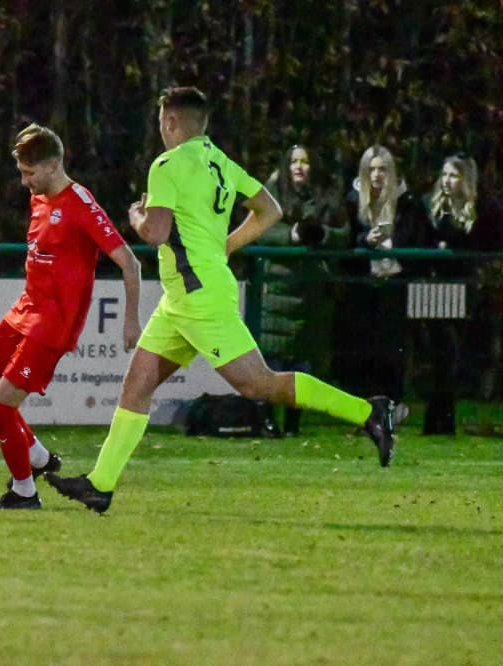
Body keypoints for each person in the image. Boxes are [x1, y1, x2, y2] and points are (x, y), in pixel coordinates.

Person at [46, 87, 400, 514]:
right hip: (183, 297)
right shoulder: (220, 161)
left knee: (258, 384)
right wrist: (227, 245)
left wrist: (137, 217)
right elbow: (270, 210)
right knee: (137, 384)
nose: (161, 130)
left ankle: (369, 411)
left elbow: (155, 232)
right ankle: (100, 484)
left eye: (162, 122)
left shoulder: (167, 165)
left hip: (198, 297)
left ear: (171, 122)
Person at [0, 123, 142, 510]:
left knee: (1, 408)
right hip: (23, 310)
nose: (24, 182)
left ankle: (25, 492)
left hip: (52, 324)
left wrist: (131, 320)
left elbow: (130, 262)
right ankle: (40, 458)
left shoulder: (80, 204)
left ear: (54, 164)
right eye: (21, 172)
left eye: (30, 173)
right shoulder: (39, 197)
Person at [257, 145, 348, 436]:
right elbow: (259, 230)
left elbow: (344, 234)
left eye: (305, 161)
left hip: (310, 292)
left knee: (302, 361)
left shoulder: (327, 197)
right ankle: (268, 419)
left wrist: (322, 235)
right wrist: (291, 235)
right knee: (272, 359)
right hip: (277, 289)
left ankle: (294, 422)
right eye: (294, 161)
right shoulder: (271, 195)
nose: (299, 167)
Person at [420, 154, 503, 433]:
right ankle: (438, 420)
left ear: (465, 179)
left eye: (454, 175)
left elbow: (490, 243)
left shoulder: (482, 209)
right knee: (439, 354)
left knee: (452, 352)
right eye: (444, 175)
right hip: (433, 287)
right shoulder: (431, 206)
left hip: (464, 288)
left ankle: (442, 419)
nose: (447, 181)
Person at [343, 145, 428, 404]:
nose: (377, 175)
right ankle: (364, 409)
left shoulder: (408, 203)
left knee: (392, 352)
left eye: (382, 169)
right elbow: (345, 240)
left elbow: (416, 240)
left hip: (395, 284)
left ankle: (392, 406)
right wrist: (365, 240)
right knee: (362, 351)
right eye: (371, 169)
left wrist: (391, 243)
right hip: (363, 286)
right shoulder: (352, 201)